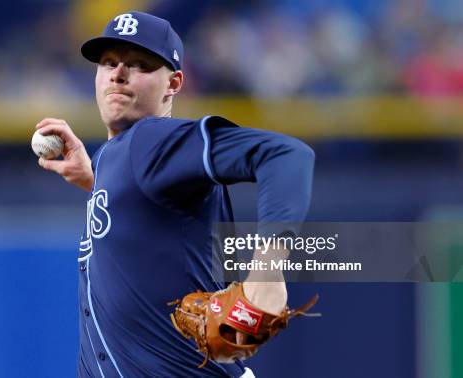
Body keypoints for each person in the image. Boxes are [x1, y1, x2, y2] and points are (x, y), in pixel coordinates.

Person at [36, 11, 314, 378]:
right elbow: (153, 229)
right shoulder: (115, 159)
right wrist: (97, 182)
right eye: (108, 62)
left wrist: (267, 265)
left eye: (139, 64)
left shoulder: (152, 141)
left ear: (174, 83)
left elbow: (287, 156)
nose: (119, 73)